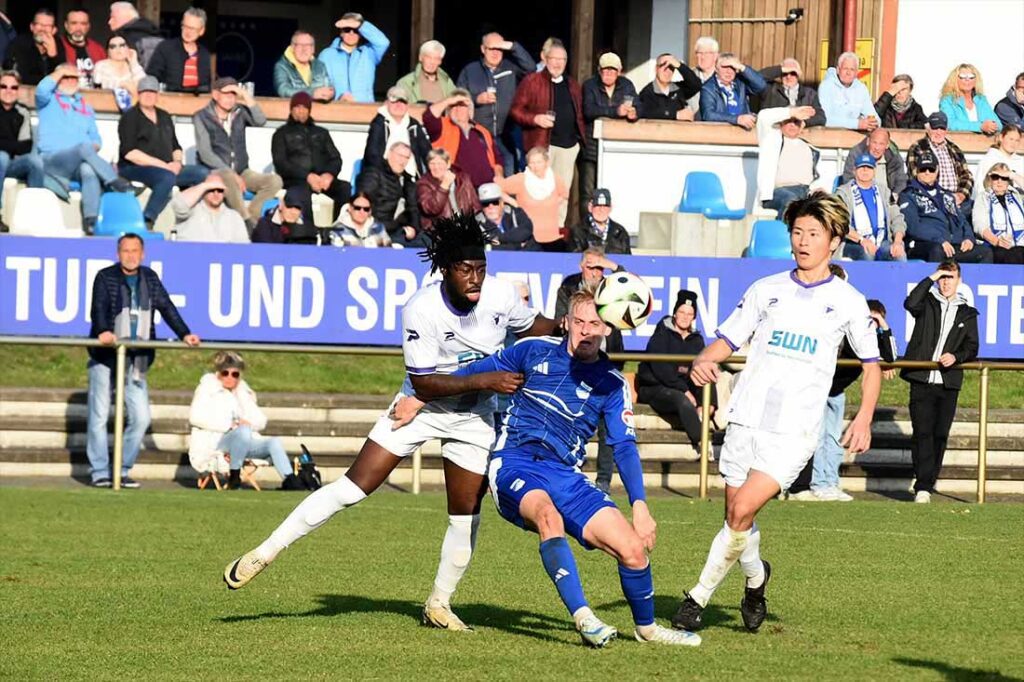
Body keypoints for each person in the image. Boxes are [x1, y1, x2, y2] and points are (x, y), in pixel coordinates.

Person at [222, 214, 560, 634]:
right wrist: (487, 379)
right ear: (445, 269)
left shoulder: (501, 295)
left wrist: (568, 326)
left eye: (480, 268)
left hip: (474, 418)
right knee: (352, 487)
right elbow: (424, 382)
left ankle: (439, 602)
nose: (474, 278)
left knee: (465, 515)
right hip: (420, 406)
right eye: (464, 269)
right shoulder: (421, 307)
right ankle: (265, 551)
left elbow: (534, 326)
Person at [405, 288, 701, 647]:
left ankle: (648, 629)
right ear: (566, 323)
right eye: (579, 321)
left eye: (595, 323)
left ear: (607, 328)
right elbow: (473, 373)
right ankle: (585, 618)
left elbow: (622, 446)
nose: (587, 330)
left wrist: (640, 505)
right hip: (515, 463)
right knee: (549, 518)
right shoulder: (532, 350)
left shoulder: (611, 383)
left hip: (566, 474)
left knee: (633, 550)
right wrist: (419, 397)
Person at [672, 192, 882, 635]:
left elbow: (871, 365)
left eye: (814, 234)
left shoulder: (847, 300)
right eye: (798, 232)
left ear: (835, 240)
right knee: (737, 517)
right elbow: (727, 340)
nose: (803, 241)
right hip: (746, 418)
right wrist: (702, 359)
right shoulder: (765, 290)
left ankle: (696, 598)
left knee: (742, 511)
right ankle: (755, 579)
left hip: (794, 431)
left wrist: (862, 417)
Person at [87, 233, 200, 488]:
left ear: (143, 253)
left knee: (140, 418)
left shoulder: (149, 278)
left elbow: (167, 307)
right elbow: (98, 309)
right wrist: (103, 331)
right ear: (118, 254)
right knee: (99, 415)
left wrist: (184, 333)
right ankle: (100, 472)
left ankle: (122, 469)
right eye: (125, 251)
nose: (130, 255)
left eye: (135, 251)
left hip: (136, 359)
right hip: (106, 355)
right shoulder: (105, 276)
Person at [789, 294, 898, 501]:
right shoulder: (848, 333)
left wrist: (883, 325)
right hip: (820, 389)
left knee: (832, 439)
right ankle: (815, 483)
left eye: (875, 321)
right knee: (817, 438)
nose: (870, 325)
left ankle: (829, 483)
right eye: (869, 320)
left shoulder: (872, 339)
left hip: (837, 392)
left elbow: (892, 356)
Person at [901, 261, 979, 503]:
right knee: (922, 432)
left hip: (948, 383)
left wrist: (956, 357)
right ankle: (923, 485)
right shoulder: (927, 303)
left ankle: (928, 481)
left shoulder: (968, 313)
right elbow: (911, 302)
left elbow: (972, 347)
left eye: (950, 277)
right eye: (943, 277)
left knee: (940, 434)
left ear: (959, 281)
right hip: (922, 379)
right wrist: (932, 276)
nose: (946, 282)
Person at [35, 63, 133, 234]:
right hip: (52, 160)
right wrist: (61, 71)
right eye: (66, 77)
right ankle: (115, 181)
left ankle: (91, 220)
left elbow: (96, 137)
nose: (70, 81)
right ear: (58, 78)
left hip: (78, 161)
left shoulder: (86, 108)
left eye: (74, 77)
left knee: (88, 169)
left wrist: (96, 145)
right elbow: (41, 89)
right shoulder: (48, 100)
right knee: (82, 148)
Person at [188, 351, 302, 490]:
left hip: (242, 444)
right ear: (218, 374)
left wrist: (248, 423)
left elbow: (261, 420)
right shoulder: (207, 390)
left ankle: (290, 481)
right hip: (216, 444)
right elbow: (195, 417)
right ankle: (234, 477)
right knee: (242, 431)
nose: (230, 378)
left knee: (273, 442)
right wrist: (229, 425)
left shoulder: (243, 393)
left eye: (235, 374)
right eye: (225, 373)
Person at [509, 39, 585, 224]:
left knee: (561, 193)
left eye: (562, 59)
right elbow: (515, 111)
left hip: (568, 147)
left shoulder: (572, 85)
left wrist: (579, 141)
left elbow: (579, 114)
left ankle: (556, 235)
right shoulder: (532, 81)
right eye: (554, 59)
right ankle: (534, 233)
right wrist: (535, 119)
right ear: (545, 59)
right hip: (543, 146)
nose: (558, 63)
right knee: (539, 192)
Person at [118, 76, 209, 228]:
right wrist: (164, 166)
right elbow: (129, 153)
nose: (148, 96)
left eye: (152, 92)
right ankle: (148, 219)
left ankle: (193, 216)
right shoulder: (130, 117)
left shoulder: (164, 116)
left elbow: (175, 146)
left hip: (167, 167)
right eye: (144, 92)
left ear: (158, 95)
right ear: (138, 94)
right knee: (166, 177)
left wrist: (178, 163)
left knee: (202, 173)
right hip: (135, 168)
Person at [193, 77, 283, 229]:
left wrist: (245, 95)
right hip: (217, 171)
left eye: (234, 94)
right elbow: (205, 153)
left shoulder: (240, 112)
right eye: (227, 94)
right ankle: (245, 221)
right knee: (228, 176)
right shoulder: (201, 116)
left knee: (275, 181)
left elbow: (260, 120)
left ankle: (252, 216)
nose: (230, 98)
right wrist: (231, 173)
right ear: (215, 95)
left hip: (242, 171)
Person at [637, 289, 717, 457]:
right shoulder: (661, 334)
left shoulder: (697, 340)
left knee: (707, 379)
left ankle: (703, 417)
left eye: (690, 313)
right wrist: (685, 390)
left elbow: (702, 367)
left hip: (683, 387)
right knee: (681, 400)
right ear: (674, 313)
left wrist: (708, 402)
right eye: (681, 311)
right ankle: (703, 441)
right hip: (656, 387)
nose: (685, 316)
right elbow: (661, 369)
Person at [456, 31, 535, 177]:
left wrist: (512, 46)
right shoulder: (470, 70)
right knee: (480, 174)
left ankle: (505, 200)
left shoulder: (510, 68)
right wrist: (476, 99)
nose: (496, 53)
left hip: (506, 134)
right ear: (482, 49)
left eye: (500, 49)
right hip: (479, 133)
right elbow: (458, 99)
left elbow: (531, 68)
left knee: (508, 172)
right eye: (492, 48)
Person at [899, 150, 993, 264]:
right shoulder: (908, 195)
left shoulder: (947, 195)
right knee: (937, 250)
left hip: (954, 244)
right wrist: (939, 240)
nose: (927, 172)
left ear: (937, 170)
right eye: (923, 169)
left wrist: (968, 238)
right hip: (924, 244)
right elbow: (913, 226)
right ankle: (935, 281)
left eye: (931, 169)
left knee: (985, 252)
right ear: (916, 171)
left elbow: (962, 221)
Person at [271, 91, 349, 225]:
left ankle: (335, 228)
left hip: (322, 180)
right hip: (296, 180)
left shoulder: (321, 133)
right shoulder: (281, 134)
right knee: (301, 194)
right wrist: (307, 176)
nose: (301, 111)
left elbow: (336, 158)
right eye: (297, 107)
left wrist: (328, 175)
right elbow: (281, 163)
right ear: (291, 109)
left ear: (309, 110)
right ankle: (309, 234)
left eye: (304, 107)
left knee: (345, 188)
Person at [579, 52, 637, 209]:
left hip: (616, 148)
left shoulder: (627, 85)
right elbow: (589, 110)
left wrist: (634, 113)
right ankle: (587, 229)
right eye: (605, 70)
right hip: (591, 147)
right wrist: (615, 112)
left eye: (612, 71)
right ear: (599, 70)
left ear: (619, 71)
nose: (609, 74)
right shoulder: (590, 85)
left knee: (612, 190)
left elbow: (639, 105)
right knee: (588, 192)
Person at [424, 90, 504, 189]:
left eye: (462, 105)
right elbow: (428, 116)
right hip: (460, 191)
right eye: (454, 106)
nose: (458, 109)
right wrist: (449, 100)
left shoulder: (482, 131)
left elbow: (497, 159)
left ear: (470, 110)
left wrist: (499, 175)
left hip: (488, 189)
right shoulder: (442, 127)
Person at [837, 154, 908, 261]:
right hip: (853, 243)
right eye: (861, 167)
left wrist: (897, 242)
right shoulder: (843, 193)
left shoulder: (884, 191)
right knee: (867, 253)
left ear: (874, 171)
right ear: (854, 170)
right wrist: (862, 240)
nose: (865, 170)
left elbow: (897, 218)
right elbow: (840, 224)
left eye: (869, 167)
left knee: (899, 253)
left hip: (882, 241)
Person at [497, 146, 570, 250]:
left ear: (546, 162)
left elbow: (565, 194)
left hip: (552, 238)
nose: (536, 166)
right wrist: (514, 203)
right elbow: (498, 188)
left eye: (539, 162)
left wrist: (553, 204)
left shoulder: (555, 179)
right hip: (529, 240)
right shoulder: (521, 179)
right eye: (532, 163)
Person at [356, 141, 426, 247]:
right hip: (377, 229)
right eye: (400, 156)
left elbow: (413, 209)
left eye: (406, 157)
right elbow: (363, 202)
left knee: (429, 241)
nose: (402, 161)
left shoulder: (407, 181)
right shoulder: (374, 173)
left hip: (399, 229)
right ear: (389, 154)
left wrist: (413, 228)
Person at [0, 70, 45, 232]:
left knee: (35, 161)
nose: (8, 91)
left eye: (13, 87)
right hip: (3, 160)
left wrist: (5, 144)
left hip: (14, 163)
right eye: (3, 86)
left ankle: (36, 216)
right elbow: (17, 145)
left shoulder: (23, 112)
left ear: (18, 90)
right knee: (2, 157)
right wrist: (11, 145)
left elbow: (26, 146)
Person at [755, 107, 820, 218]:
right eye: (788, 121)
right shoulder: (771, 140)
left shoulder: (811, 148)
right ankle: (783, 234)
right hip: (777, 192)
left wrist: (818, 189)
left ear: (802, 126)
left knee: (828, 205)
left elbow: (815, 177)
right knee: (791, 201)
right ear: (781, 124)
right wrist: (791, 112)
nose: (792, 125)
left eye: (796, 122)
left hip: (805, 191)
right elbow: (762, 117)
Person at [362, 85, 432, 177]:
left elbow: (427, 152)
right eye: (394, 101)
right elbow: (371, 154)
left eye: (402, 102)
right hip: (384, 176)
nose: (399, 105)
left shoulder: (414, 125)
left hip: (411, 177)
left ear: (407, 105)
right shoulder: (379, 123)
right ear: (387, 103)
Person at [319, 12, 388, 102]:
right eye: (347, 29)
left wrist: (360, 25)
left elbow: (383, 42)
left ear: (361, 33)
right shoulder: (326, 55)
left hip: (365, 109)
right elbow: (320, 85)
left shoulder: (369, 53)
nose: (351, 33)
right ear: (341, 33)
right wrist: (338, 98)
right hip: (336, 109)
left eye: (356, 30)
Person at [907, 112, 975, 204]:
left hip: (957, 198)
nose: (938, 132)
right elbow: (916, 176)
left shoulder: (954, 149)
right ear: (928, 129)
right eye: (935, 128)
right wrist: (938, 197)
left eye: (942, 128)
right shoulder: (918, 148)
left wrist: (961, 195)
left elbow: (966, 175)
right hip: (932, 199)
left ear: (946, 130)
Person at [146, 7, 211, 94]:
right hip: (169, 100)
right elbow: (151, 77)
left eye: (192, 29)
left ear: (201, 31)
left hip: (197, 102)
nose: (188, 32)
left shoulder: (204, 54)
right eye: (185, 26)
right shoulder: (165, 48)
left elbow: (206, 85)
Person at [171, 173, 249, 243]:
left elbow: (243, 248)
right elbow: (179, 205)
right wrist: (206, 185)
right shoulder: (191, 210)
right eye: (211, 190)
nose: (216, 194)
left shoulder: (234, 217)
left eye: (219, 190)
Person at [699, 53, 767, 130]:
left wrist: (742, 67)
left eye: (732, 67)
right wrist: (737, 119)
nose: (729, 71)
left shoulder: (740, 83)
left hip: (743, 132)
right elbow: (708, 115)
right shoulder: (708, 88)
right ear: (716, 68)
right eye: (725, 67)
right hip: (719, 133)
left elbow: (761, 85)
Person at [973, 162, 1024, 264]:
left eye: (1004, 178)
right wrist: (997, 241)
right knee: (1008, 254)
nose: (999, 181)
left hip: (1020, 245)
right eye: (996, 177)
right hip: (995, 245)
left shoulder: (1018, 196)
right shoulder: (983, 197)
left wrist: (1012, 175)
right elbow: (979, 225)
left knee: (1018, 252)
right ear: (990, 179)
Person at [417, 148, 479, 231]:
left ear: (448, 164)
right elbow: (430, 209)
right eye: (432, 163)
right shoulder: (424, 183)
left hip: (466, 228)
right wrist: (444, 186)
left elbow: (475, 207)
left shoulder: (463, 179)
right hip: (440, 231)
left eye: (440, 163)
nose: (436, 167)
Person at [841, 128, 908, 202]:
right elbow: (848, 179)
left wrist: (893, 198)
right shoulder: (856, 154)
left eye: (881, 144)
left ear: (887, 145)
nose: (877, 148)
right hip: (860, 198)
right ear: (868, 141)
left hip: (888, 200)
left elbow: (901, 181)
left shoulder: (894, 156)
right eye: (874, 142)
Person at [818, 52, 879, 131]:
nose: (848, 73)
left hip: (854, 137)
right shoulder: (826, 86)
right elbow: (824, 119)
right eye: (845, 68)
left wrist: (872, 123)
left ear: (856, 72)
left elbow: (874, 117)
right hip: (830, 136)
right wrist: (857, 124)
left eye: (852, 69)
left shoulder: (861, 88)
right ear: (838, 69)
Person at [757, 58, 825, 127]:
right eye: (785, 73)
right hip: (776, 132)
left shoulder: (809, 94)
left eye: (793, 73)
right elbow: (756, 77)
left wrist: (804, 122)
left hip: (801, 133)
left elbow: (821, 118)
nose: (788, 77)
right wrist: (780, 69)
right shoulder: (770, 90)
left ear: (798, 75)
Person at [636, 53, 701, 122]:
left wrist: (679, 65)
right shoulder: (647, 92)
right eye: (663, 66)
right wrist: (675, 114)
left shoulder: (678, 89)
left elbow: (696, 85)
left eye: (671, 67)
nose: (667, 71)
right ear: (656, 68)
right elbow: (646, 112)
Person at [938, 63, 1000, 135]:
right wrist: (980, 126)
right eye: (962, 77)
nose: (967, 80)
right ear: (955, 80)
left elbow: (998, 124)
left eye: (971, 77)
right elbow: (950, 124)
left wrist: (992, 126)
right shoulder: (947, 101)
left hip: (983, 142)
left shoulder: (981, 100)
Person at [2, 10, 59, 86]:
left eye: (47, 26)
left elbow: (63, 77)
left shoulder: (59, 45)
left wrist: (53, 56)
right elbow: (20, 77)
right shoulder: (19, 44)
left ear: (54, 30)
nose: (43, 29)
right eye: (39, 24)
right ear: (32, 27)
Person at [273, 30, 334, 101]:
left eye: (308, 45)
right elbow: (282, 90)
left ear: (313, 49)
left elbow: (330, 87)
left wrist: (331, 93)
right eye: (300, 45)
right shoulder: (282, 66)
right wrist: (312, 93)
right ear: (293, 47)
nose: (304, 49)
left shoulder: (320, 66)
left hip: (320, 111)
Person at [568, 188, 630, 254]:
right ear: (590, 207)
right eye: (598, 206)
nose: (601, 210)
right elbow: (573, 259)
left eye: (605, 206)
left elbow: (628, 260)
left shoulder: (620, 232)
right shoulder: (578, 232)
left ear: (610, 208)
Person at [474, 182, 533, 250]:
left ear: (502, 203)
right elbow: (483, 249)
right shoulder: (476, 223)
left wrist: (498, 238)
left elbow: (526, 231)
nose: (491, 207)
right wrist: (518, 245)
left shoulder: (515, 213)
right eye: (485, 204)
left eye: (495, 202)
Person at [251, 186, 318, 245]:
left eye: (297, 208)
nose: (293, 212)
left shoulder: (306, 228)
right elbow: (265, 252)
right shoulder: (264, 225)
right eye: (289, 207)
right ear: (281, 205)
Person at [92, 33, 146, 104]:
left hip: (134, 105)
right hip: (106, 104)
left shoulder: (133, 65)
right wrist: (122, 85)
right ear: (108, 51)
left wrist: (134, 62)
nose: (118, 49)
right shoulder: (101, 66)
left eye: (122, 45)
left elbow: (144, 85)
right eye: (113, 46)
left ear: (128, 48)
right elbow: (98, 88)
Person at [107, 1, 163, 69]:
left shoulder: (126, 39)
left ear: (124, 17)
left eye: (113, 17)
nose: (109, 22)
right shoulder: (154, 33)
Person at [59, 8, 105, 88]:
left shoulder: (98, 49)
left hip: (94, 96)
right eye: (74, 23)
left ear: (88, 26)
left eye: (83, 24)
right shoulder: (58, 45)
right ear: (66, 25)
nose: (78, 28)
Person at [973, 125, 1023, 197]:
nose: (1013, 143)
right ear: (1001, 137)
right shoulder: (989, 159)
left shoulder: (1021, 161)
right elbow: (980, 188)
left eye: (1017, 140)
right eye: (1011, 139)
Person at [686, 36, 720, 113]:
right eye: (700, 53)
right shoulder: (689, 76)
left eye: (706, 53)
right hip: (693, 122)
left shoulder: (723, 77)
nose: (703, 57)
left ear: (715, 56)